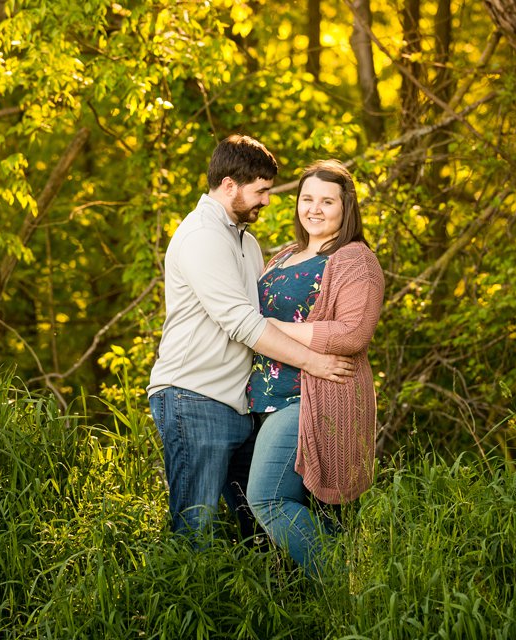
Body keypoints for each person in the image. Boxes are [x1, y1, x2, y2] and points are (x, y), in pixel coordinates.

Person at [147, 136, 356, 541]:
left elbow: (261, 316)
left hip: (236, 405)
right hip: (194, 397)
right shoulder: (202, 236)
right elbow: (243, 323)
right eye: (260, 190)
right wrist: (314, 362)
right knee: (196, 525)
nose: (267, 201)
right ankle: (186, 600)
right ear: (229, 185)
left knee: (258, 525)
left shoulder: (244, 239)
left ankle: (284, 600)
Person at [245, 159, 384, 579]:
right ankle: (336, 594)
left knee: (266, 497)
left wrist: (272, 326)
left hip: (311, 393)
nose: (315, 209)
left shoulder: (354, 259)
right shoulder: (285, 255)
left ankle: (345, 585)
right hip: (266, 397)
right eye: (307, 199)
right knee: (302, 510)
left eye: (327, 201)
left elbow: (353, 333)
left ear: (346, 208)